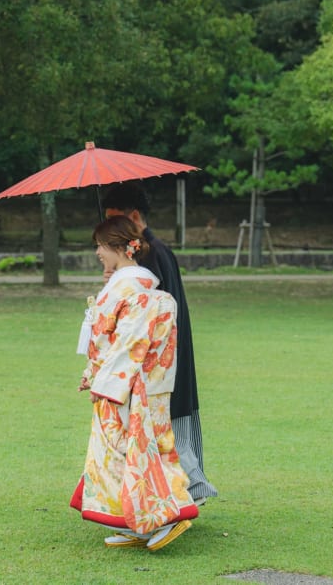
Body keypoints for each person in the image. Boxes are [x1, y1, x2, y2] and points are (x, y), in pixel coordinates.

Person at [70, 215, 198, 551]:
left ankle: (170, 514)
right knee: (124, 454)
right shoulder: (131, 285)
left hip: (129, 387)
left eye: (100, 245)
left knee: (140, 451)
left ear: (118, 247)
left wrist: (107, 381)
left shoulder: (134, 290)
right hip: (130, 383)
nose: (97, 251)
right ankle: (136, 522)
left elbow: (130, 342)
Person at [101, 182, 218, 503]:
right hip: (170, 354)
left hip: (161, 360)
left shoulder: (148, 256)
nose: (112, 230)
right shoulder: (157, 252)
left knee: (167, 430)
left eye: (116, 222)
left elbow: (141, 315)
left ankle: (188, 491)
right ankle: (185, 492)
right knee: (171, 429)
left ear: (135, 217)